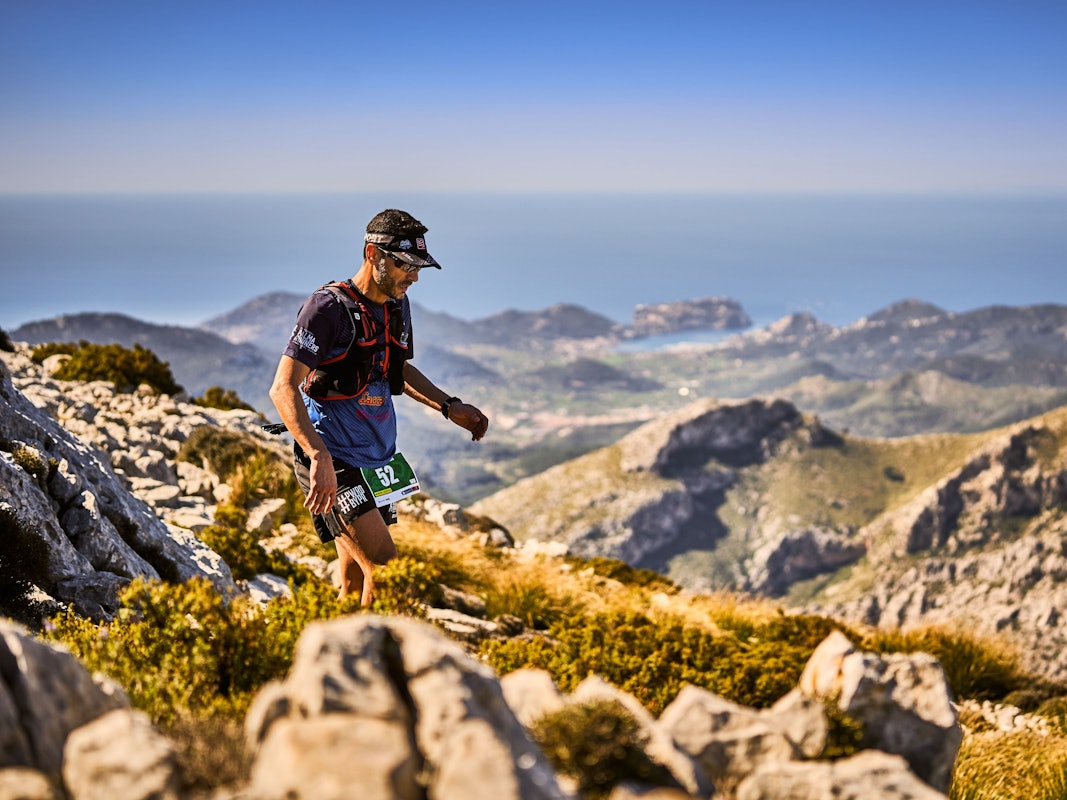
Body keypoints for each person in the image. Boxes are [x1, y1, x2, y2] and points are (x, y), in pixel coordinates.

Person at [269, 209, 489, 606]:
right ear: (374, 255)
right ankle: (372, 660)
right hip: (331, 458)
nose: (415, 276)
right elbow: (282, 387)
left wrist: (448, 405)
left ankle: (332, 654)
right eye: (406, 265)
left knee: (354, 578)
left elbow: (397, 369)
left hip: (375, 458)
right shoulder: (327, 309)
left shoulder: (395, 304)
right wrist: (317, 454)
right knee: (387, 569)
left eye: (418, 268)